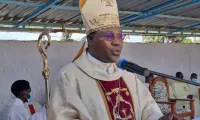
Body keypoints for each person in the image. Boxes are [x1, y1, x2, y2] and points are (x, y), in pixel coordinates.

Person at [48, 0, 183, 120]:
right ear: (90, 39)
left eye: (119, 36)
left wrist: (160, 119)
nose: (117, 42)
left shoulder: (129, 76)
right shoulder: (69, 77)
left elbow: (147, 108)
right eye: (109, 36)